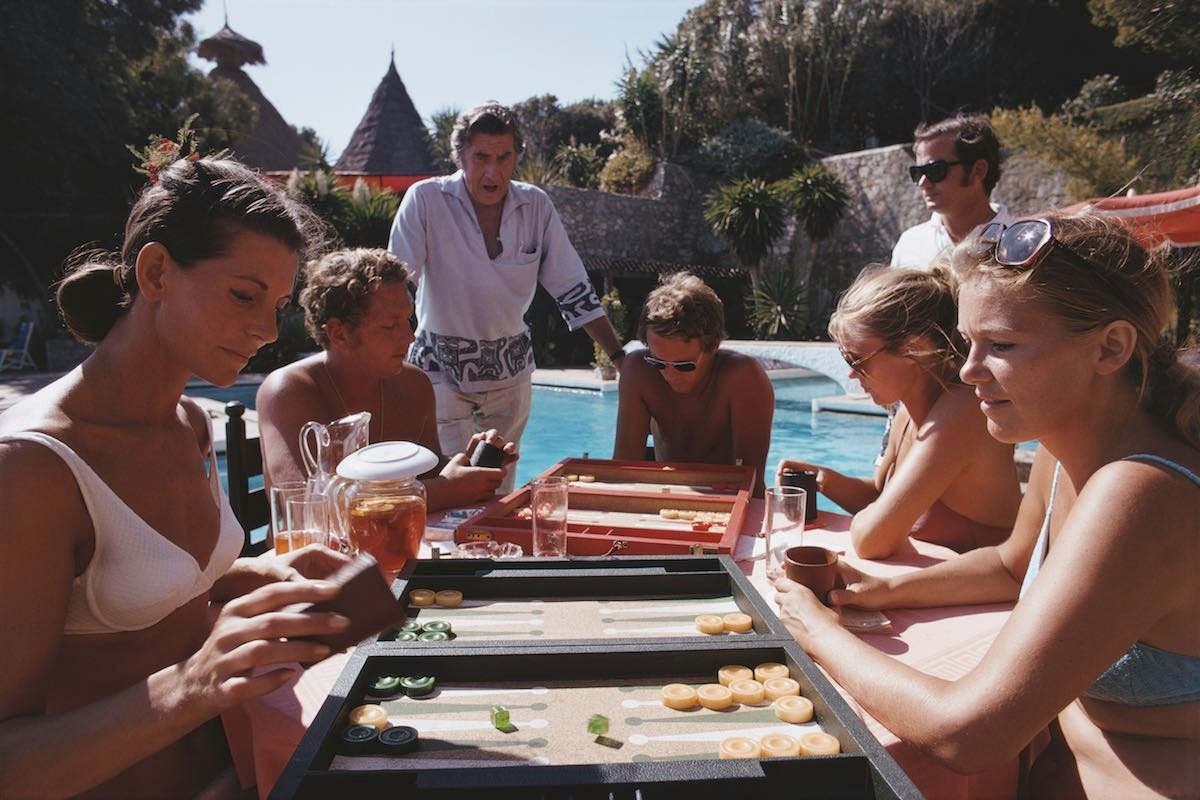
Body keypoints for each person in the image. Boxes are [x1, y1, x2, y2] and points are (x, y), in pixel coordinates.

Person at [774, 213, 1200, 798]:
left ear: (1111, 348)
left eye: (1000, 345)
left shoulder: (1143, 491)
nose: (970, 371)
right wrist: (878, 592)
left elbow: (968, 736)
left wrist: (816, 632)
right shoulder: (1066, 445)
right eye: (969, 341)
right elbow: (1013, 566)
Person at [0, 157, 356, 799]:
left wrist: (265, 573)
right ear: (156, 272)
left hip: (238, 773)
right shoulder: (34, 468)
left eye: (277, 306)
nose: (268, 331)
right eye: (244, 296)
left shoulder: (189, 424)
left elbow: (161, 590)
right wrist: (195, 683)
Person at [388, 101, 624, 491]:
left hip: (510, 376)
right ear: (459, 156)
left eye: (504, 158)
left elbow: (572, 286)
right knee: (451, 484)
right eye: (480, 157)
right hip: (440, 371)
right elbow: (398, 284)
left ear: (517, 156)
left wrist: (618, 357)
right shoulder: (426, 200)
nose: (492, 172)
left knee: (497, 489)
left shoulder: (536, 206)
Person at [776, 264, 1021, 557]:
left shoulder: (963, 411)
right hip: (929, 592)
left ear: (911, 349)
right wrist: (825, 481)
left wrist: (870, 524)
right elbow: (884, 500)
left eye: (857, 360)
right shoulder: (906, 413)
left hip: (987, 601)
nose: (852, 375)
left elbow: (872, 539)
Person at [256, 248, 516, 514]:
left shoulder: (414, 384)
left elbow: (429, 475)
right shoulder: (289, 391)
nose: (409, 337)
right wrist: (447, 489)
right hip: (315, 554)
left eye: (408, 320)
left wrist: (470, 466)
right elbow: (304, 509)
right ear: (339, 334)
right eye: (390, 326)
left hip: (401, 546)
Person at [613, 272, 774, 497]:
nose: (669, 374)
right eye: (658, 362)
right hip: (665, 500)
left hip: (728, 502)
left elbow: (751, 483)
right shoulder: (638, 371)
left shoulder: (742, 378)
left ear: (714, 345)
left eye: (683, 365)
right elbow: (623, 472)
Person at [891, 113, 1017, 271]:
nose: (923, 183)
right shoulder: (911, 245)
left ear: (978, 171)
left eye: (935, 170)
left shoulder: (1020, 244)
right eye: (917, 173)